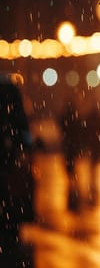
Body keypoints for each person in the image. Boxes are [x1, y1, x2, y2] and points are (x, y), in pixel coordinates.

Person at [0, 75, 34, 267]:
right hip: (8, 160)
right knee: (11, 205)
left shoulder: (8, 90)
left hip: (8, 159)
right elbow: (22, 129)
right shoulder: (9, 90)